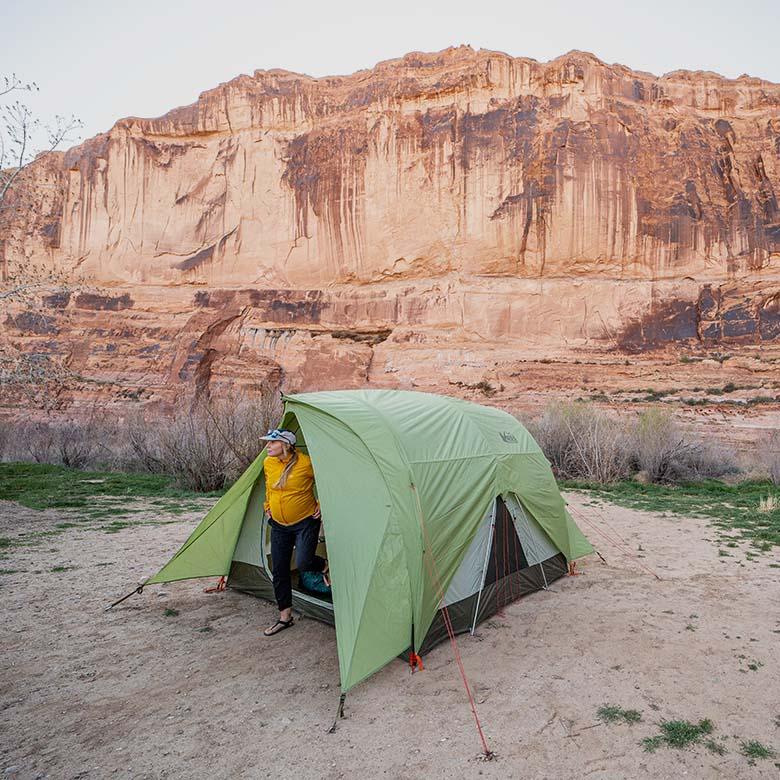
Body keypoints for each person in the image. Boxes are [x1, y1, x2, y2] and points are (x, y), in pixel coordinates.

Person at [260, 428, 327, 636]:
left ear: (286, 445)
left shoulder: (306, 463)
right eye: (268, 443)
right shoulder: (268, 463)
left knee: (304, 563)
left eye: (272, 442)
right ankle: (285, 617)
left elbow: (329, 482)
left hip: (305, 521)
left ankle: (324, 565)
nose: (268, 446)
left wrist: (321, 503)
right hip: (279, 524)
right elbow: (269, 488)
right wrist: (267, 506)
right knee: (279, 570)